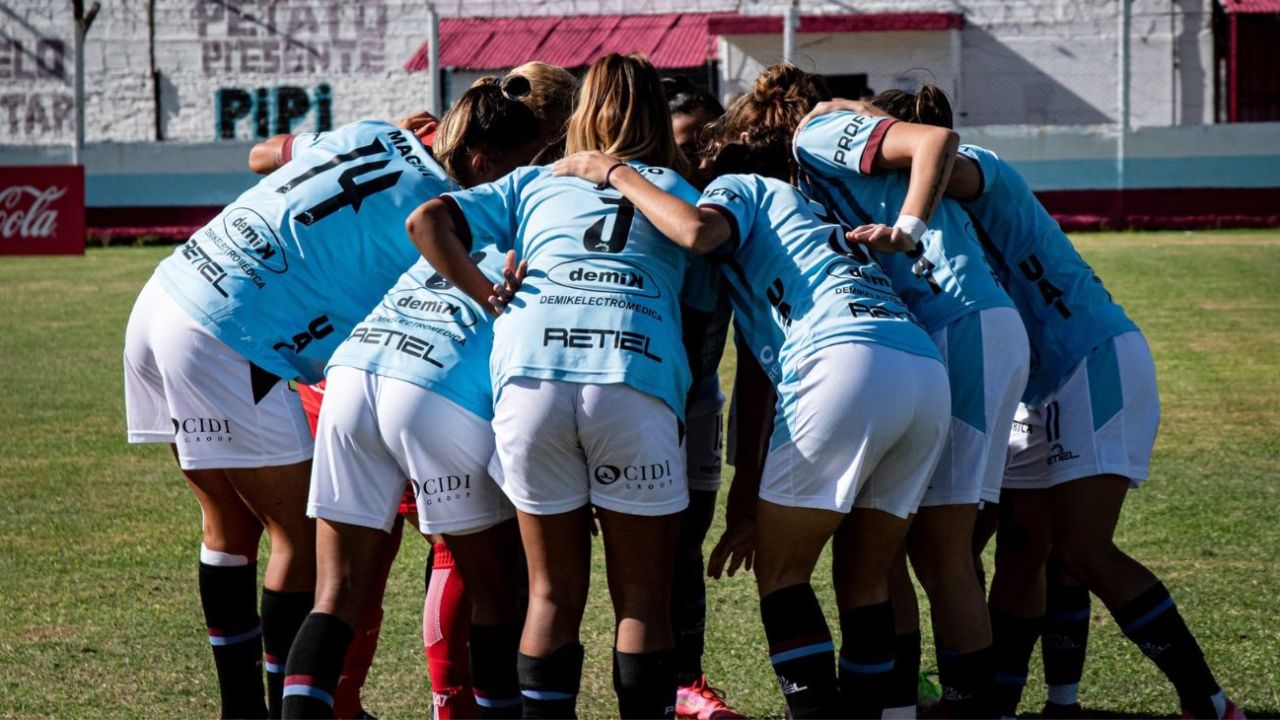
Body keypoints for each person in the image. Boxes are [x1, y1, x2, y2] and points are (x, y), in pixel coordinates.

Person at [551, 62, 954, 720]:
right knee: (866, 578)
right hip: (916, 367)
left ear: (730, 151)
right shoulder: (810, 211)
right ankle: (895, 713)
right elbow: (761, 371)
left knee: (784, 575)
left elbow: (698, 232)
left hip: (842, 361)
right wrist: (746, 491)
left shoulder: (743, 189)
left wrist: (613, 171)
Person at [873, 84, 1244, 720]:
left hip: (1093, 363)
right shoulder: (921, 216)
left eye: (876, 147)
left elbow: (946, 161)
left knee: (1081, 550)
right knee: (1021, 549)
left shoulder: (978, 169)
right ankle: (1002, 704)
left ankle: (1208, 702)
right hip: (1037, 387)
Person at [123, 106, 463, 717]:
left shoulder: (373, 132)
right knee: (302, 539)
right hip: (231, 332)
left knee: (228, 525)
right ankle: (286, 711)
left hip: (164, 294)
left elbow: (260, 155)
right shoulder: (451, 197)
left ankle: (242, 710)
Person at [409, 53, 699, 718]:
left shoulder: (536, 183)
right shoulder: (675, 186)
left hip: (532, 381)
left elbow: (427, 219)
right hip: (633, 378)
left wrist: (487, 293)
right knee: (644, 604)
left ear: (581, 112)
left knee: (549, 598)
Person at [279, 82, 543, 720]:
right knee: (496, 593)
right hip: (430, 391)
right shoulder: (532, 217)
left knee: (335, 593)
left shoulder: (445, 210)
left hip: (347, 374)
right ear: (488, 160)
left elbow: (268, 157)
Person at [792, 78, 1028, 717]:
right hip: (968, 327)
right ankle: (916, 703)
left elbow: (937, 141)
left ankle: (971, 708)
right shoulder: (844, 148)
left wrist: (906, 228)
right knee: (898, 536)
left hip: (956, 323)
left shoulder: (813, 134)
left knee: (937, 548)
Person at [661, 75, 745, 720]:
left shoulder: (724, 210)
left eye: (712, 139)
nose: (706, 156)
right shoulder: (654, 205)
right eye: (691, 143)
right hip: (635, 398)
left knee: (686, 541)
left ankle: (685, 681)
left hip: (697, 399)